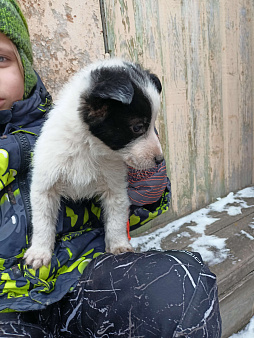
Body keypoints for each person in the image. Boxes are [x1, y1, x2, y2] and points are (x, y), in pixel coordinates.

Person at [0, 1, 222, 337]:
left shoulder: (79, 130)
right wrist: (41, 245)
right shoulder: (65, 135)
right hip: (9, 305)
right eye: (138, 127)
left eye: (1, 59)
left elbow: (119, 196)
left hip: (88, 276)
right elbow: (45, 191)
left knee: (182, 283)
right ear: (97, 107)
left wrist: (125, 228)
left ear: (25, 66)